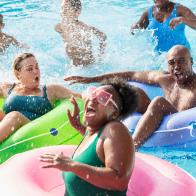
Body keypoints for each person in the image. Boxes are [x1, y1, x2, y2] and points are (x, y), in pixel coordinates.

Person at [64, 45, 196, 148]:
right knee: (134, 93)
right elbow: (131, 75)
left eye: (182, 61)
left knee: (158, 102)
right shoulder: (165, 79)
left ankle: (132, 147)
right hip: (161, 119)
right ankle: (95, 133)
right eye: (172, 63)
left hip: (183, 129)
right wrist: (91, 79)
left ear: (191, 61)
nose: (176, 67)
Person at [40, 78, 137, 196]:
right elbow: (97, 150)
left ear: (114, 113)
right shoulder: (93, 133)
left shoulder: (115, 129)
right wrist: (80, 127)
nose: (93, 99)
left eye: (102, 97)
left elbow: (119, 181)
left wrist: (71, 165)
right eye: (92, 93)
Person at [0, 52, 81, 143]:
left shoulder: (50, 90)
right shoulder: (7, 88)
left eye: (37, 67)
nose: (35, 71)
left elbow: (79, 96)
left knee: (15, 116)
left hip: (33, 131)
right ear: (18, 74)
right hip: (7, 129)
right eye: (30, 69)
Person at [55, 0, 107, 66]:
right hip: (74, 67)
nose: (62, 12)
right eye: (61, 8)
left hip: (88, 67)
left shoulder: (83, 28)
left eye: (66, 9)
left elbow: (103, 36)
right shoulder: (59, 27)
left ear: (77, 12)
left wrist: (100, 57)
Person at [131, 0, 196, 52]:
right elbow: (135, 31)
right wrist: (134, 28)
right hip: (157, 57)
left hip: (179, 55)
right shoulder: (148, 12)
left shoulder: (180, 10)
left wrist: (183, 20)